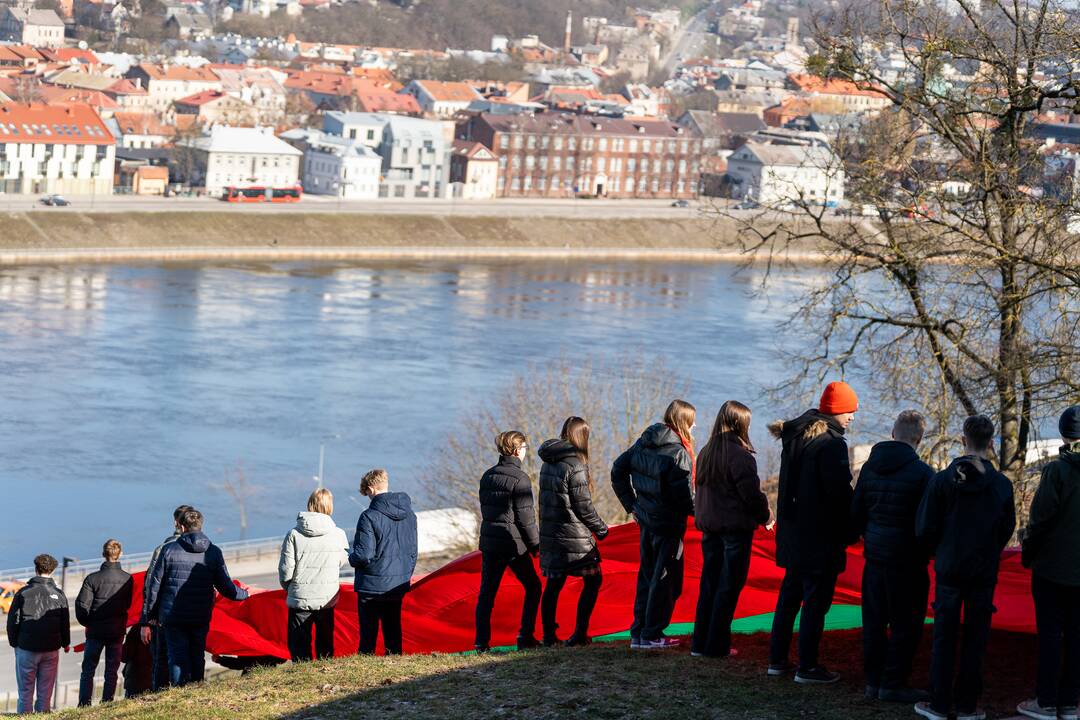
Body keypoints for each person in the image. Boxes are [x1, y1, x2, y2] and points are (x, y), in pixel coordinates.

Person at [915, 415, 1016, 720]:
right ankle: (969, 704)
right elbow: (1006, 527)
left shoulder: (943, 480)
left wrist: (940, 550)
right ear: (991, 442)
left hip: (949, 566)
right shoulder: (1001, 485)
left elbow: (925, 527)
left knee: (944, 636)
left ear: (963, 440)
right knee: (976, 638)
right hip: (983, 570)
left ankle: (939, 702)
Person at [767, 381, 859, 684]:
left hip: (794, 534)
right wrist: (852, 529)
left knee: (789, 598)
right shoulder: (832, 445)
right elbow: (838, 495)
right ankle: (808, 666)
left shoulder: (795, 438)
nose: (852, 417)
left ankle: (777, 660)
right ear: (836, 411)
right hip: (821, 538)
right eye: (850, 411)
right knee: (815, 604)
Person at [850, 411, 935, 703]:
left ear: (892, 432)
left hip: (874, 559)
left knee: (874, 623)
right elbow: (929, 523)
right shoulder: (924, 474)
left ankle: (873, 681)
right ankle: (894, 683)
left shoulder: (869, 470)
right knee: (906, 625)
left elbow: (856, 514)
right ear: (919, 439)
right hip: (909, 563)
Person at [612, 399, 696, 650]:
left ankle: (639, 633)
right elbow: (685, 498)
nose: (695, 427)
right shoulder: (678, 453)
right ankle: (651, 634)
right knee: (667, 581)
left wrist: (633, 506)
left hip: (647, 522)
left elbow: (617, 470)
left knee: (647, 577)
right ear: (684, 423)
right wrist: (705, 514)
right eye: (692, 423)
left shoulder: (643, 442)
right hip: (669, 525)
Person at [691, 400, 772, 659]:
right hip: (735, 530)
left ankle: (700, 643)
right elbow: (751, 495)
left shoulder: (705, 452)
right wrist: (767, 516)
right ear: (741, 424)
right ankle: (717, 645)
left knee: (709, 585)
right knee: (728, 587)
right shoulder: (741, 456)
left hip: (709, 528)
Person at [1018, 405, 1080, 720]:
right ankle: (1071, 702)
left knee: (1051, 636)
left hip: (1052, 568)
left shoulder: (1057, 471)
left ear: (1064, 434)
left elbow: (1040, 520)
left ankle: (1046, 701)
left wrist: (1028, 552)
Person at [140, 509, 249, 686]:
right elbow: (226, 587)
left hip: (172, 616)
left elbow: (154, 586)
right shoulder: (213, 552)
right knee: (197, 654)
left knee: (176, 656)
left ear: (182, 527)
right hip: (200, 614)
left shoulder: (168, 550)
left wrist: (148, 618)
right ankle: (197, 686)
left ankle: (179, 691)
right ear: (200, 526)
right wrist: (245, 594)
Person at [538, 416, 609, 647]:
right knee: (593, 581)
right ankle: (579, 633)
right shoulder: (575, 465)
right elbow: (583, 507)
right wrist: (601, 529)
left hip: (551, 535)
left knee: (553, 585)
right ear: (581, 437)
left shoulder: (547, 462)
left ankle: (549, 636)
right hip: (575, 540)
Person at [474, 430, 543, 651]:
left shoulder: (488, 475)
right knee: (533, 587)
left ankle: (481, 642)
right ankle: (525, 636)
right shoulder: (520, 478)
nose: (525, 452)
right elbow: (526, 518)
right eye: (524, 448)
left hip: (490, 543)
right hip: (513, 544)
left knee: (487, 593)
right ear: (516, 450)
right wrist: (535, 546)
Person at [349, 469, 418, 655]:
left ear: (371, 489)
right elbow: (413, 551)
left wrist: (351, 557)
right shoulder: (410, 515)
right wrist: (405, 573)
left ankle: (366, 663)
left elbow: (364, 554)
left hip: (372, 584)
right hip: (398, 582)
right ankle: (394, 659)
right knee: (393, 626)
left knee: (368, 632)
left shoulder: (369, 516)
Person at [280, 488, 349, 662]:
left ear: (310, 504)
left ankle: (302, 676)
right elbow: (341, 562)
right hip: (327, 597)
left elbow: (286, 570)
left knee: (299, 644)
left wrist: (290, 588)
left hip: (300, 596)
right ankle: (324, 672)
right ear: (330, 506)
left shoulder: (293, 534)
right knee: (325, 642)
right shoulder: (339, 534)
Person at [5, 554, 70, 715]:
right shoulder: (59, 594)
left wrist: (15, 643)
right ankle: (42, 716)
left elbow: (13, 621)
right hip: (51, 649)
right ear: (53, 570)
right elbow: (64, 622)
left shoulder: (23, 593)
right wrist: (65, 642)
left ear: (36, 569)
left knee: (25, 691)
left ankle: (25, 717)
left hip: (26, 648)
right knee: (45, 691)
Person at [75, 538, 134, 707]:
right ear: (120, 554)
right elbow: (128, 604)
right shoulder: (127, 579)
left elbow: (81, 606)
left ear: (103, 554)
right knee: (111, 670)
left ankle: (84, 703)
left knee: (88, 670)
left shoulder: (92, 579)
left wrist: (88, 622)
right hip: (116, 630)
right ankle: (107, 702)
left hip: (95, 631)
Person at [143, 503, 193, 691]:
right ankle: (190, 690)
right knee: (192, 655)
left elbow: (150, 586)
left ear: (176, 523)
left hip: (165, 615)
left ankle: (161, 695)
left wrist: (147, 620)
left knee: (162, 659)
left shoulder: (163, 548)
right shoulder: (208, 547)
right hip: (194, 613)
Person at [121, 623, 153, 698]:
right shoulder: (166, 628)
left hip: (135, 683)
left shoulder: (137, 628)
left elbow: (125, 656)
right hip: (156, 682)